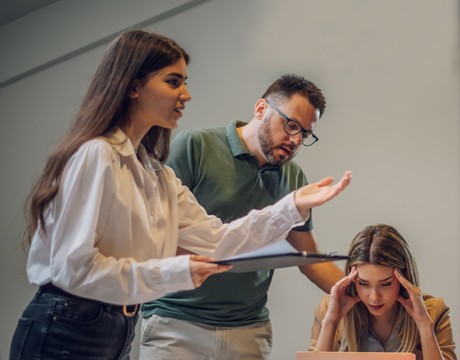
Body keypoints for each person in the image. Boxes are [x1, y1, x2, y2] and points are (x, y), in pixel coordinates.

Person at [9, 30, 351, 360]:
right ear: (132, 86)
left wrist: (292, 206)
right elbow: (75, 270)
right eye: (174, 82)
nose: (185, 95)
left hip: (119, 325)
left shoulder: (157, 174)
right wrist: (176, 272)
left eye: (184, 83)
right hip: (68, 323)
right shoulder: (97, 155)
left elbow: (217, 239)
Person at [140, 74, 344, 359]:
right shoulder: (195, 147)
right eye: (292, 125)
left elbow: (309, 258)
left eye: (305, 134)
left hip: (248, 330)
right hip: (177, 321)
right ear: (261, 109)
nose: (296, 139)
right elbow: (157, 234)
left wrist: (365, 290)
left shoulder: (293, 177)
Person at [309, 224, 456, 360]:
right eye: (364, 284)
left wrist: (424, 324)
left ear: (404, 278)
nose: (374, 298)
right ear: (352, 280)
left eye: (385, 284)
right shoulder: (328, 310)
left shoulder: (434, 312)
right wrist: (331, 322)